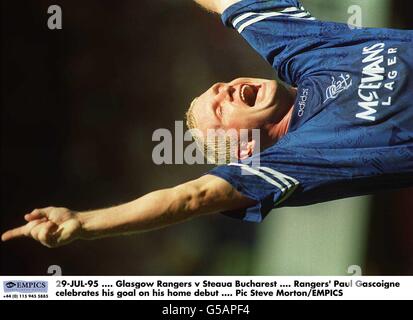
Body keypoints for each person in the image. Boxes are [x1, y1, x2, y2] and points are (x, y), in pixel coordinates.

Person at [1, 0, 412, 248]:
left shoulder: (303, 53)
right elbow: (191, 198)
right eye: (218, 109)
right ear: (244, 151)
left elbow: (225, 2)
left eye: (219, 87)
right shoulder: (296, 161)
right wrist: (85, 224)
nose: (223, 88)